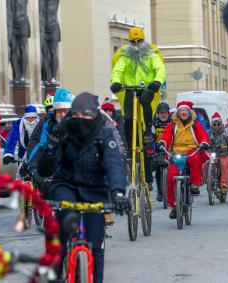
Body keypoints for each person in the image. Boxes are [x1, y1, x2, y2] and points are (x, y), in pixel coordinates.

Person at [37, 92, 129, 283]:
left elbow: (114, 164)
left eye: (85, 115)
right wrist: (50, 150)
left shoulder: (105, 134)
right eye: (76, 115)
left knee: (96, 246)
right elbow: (46, 170)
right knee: (63, 220)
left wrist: (118, 192)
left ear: (94, 115)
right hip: (66, 185)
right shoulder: (62, 131)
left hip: (95, 188)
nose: (80, 119)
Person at [110, 27, 166, 185]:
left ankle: (148, 129)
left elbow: (160, 69)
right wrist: (115, 82)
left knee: (146, 101)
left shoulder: (151, 55)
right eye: (133, 42)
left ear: (143, 40)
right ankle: (129, 145)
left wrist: (156, 82)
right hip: (130, 89)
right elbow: (117, 71)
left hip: (147, 88)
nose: (136, 44)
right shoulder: (125, 56)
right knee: (127, 117)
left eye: (139, 41)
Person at [157, 101, 209, 219]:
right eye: (181, 111)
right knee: (171, 177)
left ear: (189, 112)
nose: (184, 112)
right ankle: (174, 206)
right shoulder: (172, 125)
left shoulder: (195, 124)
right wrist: (162, 143)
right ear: (178, 113)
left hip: (192, 150)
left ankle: (195, 185)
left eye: (186, 110)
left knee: (195, 158)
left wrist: (204, 143)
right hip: (176, 152)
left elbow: (203, 135)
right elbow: (166, 136)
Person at [26, 88, 73, 198]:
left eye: (65, 111)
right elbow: (37, 144)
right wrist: (32, 165)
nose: (61, 114)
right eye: (58, 110)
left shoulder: (78, 125)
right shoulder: (45, 125)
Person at [208, 112, 228, 197]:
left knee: (225, 165)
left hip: (225, 153)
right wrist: (204, 145)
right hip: (213, 154)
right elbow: (204, 141)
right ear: (212, 124)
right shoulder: (209, 133)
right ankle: (209, 181)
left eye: (218, 123)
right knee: (206, 164)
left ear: (221, 123)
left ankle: (224, 185)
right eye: (215, 124)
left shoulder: (227, 130)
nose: (217, 125)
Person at [153, 102, 172, 202]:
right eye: (161, 112)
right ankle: (160, 192)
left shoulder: (173, 123)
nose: (163, 114)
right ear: (157, 113)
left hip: (171, 149)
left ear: (168, 113)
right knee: (157, 170)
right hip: (158, 149)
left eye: (165, 112)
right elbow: (151, 137)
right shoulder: (154, 123)